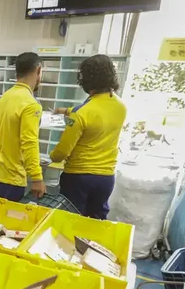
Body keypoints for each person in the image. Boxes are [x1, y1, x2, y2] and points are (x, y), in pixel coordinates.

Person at [50, 54, 127, 220]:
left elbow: (61, 154)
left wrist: (50, 156)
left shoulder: (81, 114)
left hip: (78, 178)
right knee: (95, 223)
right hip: (106, 178)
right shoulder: (121, 106)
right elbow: (98, 113)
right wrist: (66, 110)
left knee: (71, 221)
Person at [0, 52, 46, 202]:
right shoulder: (31, 104)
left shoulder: (5, 97)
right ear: (38, 70)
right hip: (11, 178)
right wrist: (37, 178)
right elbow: (29, 142)